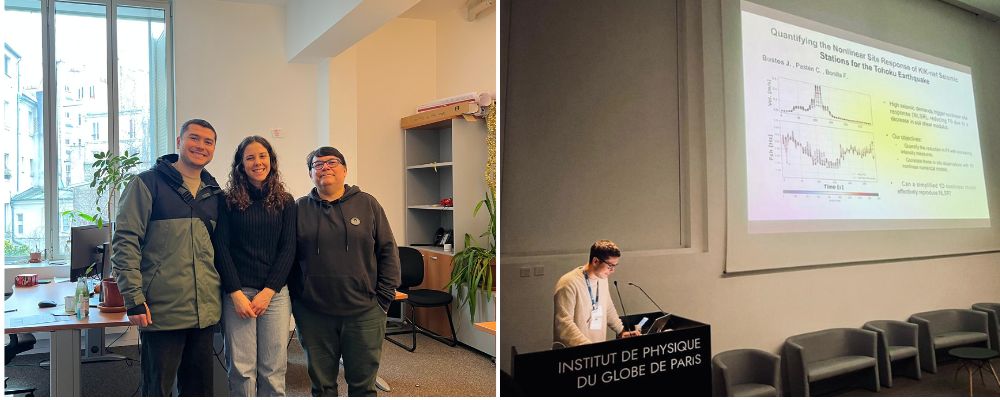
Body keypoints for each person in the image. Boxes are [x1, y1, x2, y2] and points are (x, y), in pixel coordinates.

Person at [112, 118, 224, 396]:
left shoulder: (214, 193)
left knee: (199, 390)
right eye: (194, 138)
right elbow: (125, 242)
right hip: (161, 310)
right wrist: (134, 299)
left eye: (208, 142)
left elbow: (219, 251)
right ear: (179, 142)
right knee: (158, 389)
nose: (201, 146)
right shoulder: (147, 184)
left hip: (204, 311)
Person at [289, 146, 400, 396]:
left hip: (364, 312)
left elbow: (388, 251)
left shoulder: (367, 204)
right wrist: (299, 301)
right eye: (318, 164)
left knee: (362, 387)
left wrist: (383, 299)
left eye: (332, 162)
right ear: (310, 174)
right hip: (314, 315)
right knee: (322, 386)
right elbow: (288, 257)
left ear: (345, 170)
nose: (325, 167)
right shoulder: (298, 209)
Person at [214, 135, 296, 396]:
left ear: (271, 161)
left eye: (262, 156)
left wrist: (269, 291)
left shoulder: (286, 201)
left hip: (274, 296)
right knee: (241, 368)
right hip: (238, 294)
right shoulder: (227, 201)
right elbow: (221, 249)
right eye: (250, 157)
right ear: (241, 164)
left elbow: (288, 249)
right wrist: (235, 293)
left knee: (273, 368)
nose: (257, 162)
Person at [553, 240, 640, 347]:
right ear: (595, 261)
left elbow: (607, 308)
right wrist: (590, 348)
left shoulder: (602, 279)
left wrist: (621, 332)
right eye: (610, 266)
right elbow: (564, 324)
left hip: (595, 352)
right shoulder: (568, 283)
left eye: (615, 266)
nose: (612, 270)